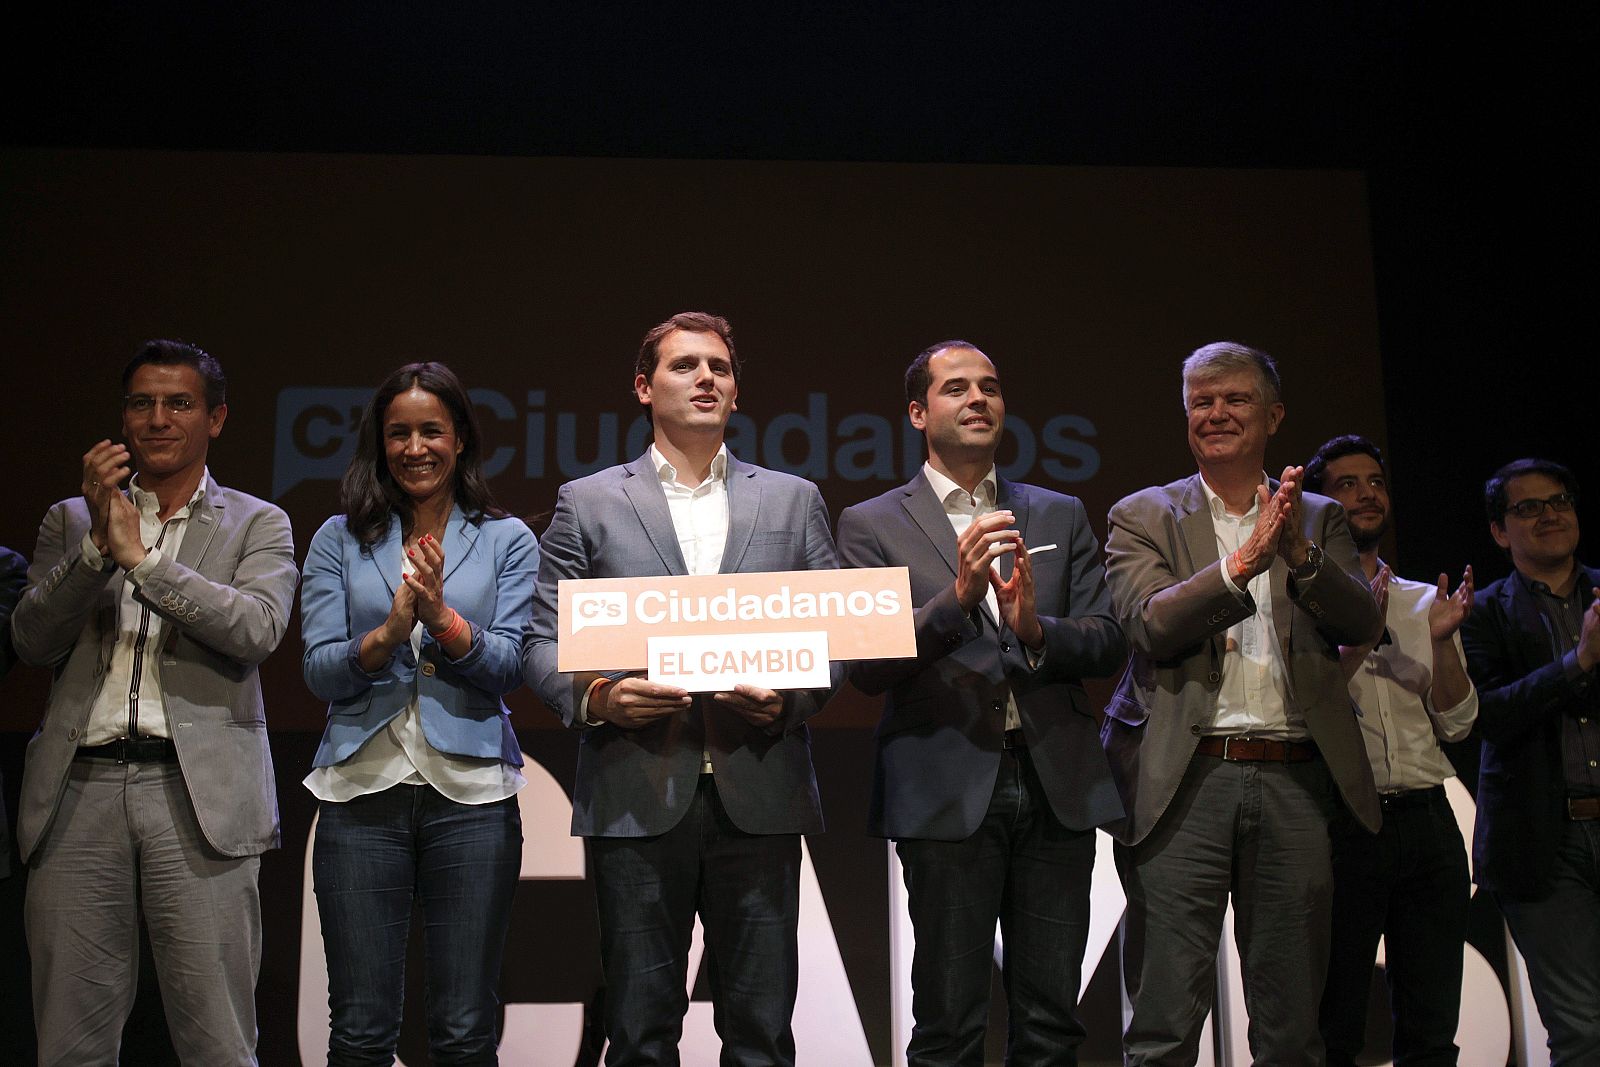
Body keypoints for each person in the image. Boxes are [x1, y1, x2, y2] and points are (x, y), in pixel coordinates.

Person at [523, 311, 841, 1067]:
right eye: (684, 365)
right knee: (638, 1032)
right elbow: (541, 641)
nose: (706, 378)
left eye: (720, 368)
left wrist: (792, 698)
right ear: (643, 386)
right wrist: (597, 697)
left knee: (761, 1032)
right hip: (635, 791)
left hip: (758, 787)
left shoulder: (793, 500)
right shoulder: (589, 500)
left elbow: (841, 638)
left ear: (736, 392)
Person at [836, 340, 1126, 1065]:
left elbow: (1109, 640)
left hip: (1057, 784)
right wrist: (958, 598)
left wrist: (1034, 630)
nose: (978, 399)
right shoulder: (870, 524)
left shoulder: (1057, 512)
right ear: (916, 410)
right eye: (957, 387)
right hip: (944, 786)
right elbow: (867, 665)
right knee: (948, 1023)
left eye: (990, 387)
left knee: (1053, 1023)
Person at [11, 339, 297, 1065]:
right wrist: (97, 552)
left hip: (196, 794)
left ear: (217, 418)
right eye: (142, 403)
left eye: (179, 403)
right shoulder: (71, 520)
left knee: (218, 1042)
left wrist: (145, 560)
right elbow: (33, 639)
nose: (158, 419)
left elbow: (255, 629)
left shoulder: (257, 522)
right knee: (70, 1042)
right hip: (79, 788)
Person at [1100, 341, 1382, 1065]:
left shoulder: (1317, 517)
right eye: (1202, 400)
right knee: (1163, 1022)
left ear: (1274, 414)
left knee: (1291, 1028)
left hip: (1295, 775)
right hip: (1185, 779)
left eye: (1236, 398)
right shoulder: (1142, 513)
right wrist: (1242, 564)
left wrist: (1300, 555)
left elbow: (1362, 624)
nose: (1216, 413)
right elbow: (1150, 622)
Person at [301, 361, 537, 1065]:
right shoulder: (337, 539)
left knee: (464, 1028)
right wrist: (384, 635)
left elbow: (509, 667)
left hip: (472, 796)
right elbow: (318, 670)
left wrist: (440, 617)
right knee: (361, 1029)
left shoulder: (506, 540)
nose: (414, 447)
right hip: (359, 791)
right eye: (398, 433)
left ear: (460, 438)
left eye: (431, 430)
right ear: (380, 442)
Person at [1303, 434, 1477, 1067]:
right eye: (1347, 484)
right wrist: (1356, 644)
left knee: (1432, 1029)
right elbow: (1302, 716)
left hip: (1429, 822)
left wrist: (1437, 644)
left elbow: (1457, 723)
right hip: (1345, 824)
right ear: (1318, 502)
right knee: (1338, 1025)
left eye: (1374, 482)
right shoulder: (1302, 602)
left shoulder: (1422, 600)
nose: (1366, 493)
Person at [1459, 457, 1600, 1065]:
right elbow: (1484, 716)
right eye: (1529, 507)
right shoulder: (1480, 614)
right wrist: (1580, 663)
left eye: (1560, 500)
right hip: (1545, 841)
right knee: (1582, 1031)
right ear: (1499, 531)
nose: (1550, 514)